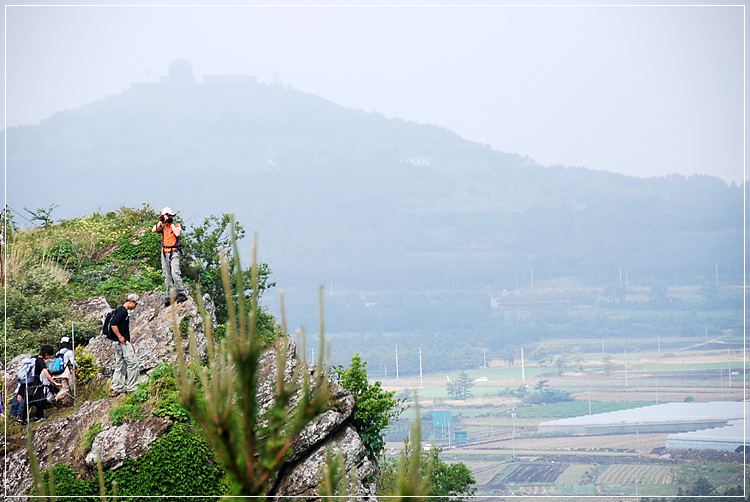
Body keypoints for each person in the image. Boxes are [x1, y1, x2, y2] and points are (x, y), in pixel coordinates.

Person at [152, 207, 188, 306]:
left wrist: (171, 223)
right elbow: (153, 230)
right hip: (164, 251)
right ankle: (170, 296)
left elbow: (177, 233)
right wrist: (161, 221)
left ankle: (181, 293)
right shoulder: (163, 226)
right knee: (166, 274)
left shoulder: (177, 225)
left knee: (175, 273)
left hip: (174, 251)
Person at [19, 345, 62, 424]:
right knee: (41, 399)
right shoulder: (40, 361)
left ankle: (22, 418)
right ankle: (38, 417)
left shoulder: (33, 358)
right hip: (35, 382)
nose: (48, 357)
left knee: (28, 400)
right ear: (46, 354)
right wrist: (54, 382)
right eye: (49, 355)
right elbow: (46, 373)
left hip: (26, 382)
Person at [110, 294, 141, 396]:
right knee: (133, 363)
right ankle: (133, 387)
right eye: (135, 304)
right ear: (131, 301)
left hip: (118, 342)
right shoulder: (122, 311)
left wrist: (128, 341)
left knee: (120, 364)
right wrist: (120, 337)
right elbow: (113, 324)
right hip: (121, 342)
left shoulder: (121, 311)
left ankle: (116, 388)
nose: (135, 307)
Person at [54, 336, 78, 406]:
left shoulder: (58, 352)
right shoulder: (69, 352)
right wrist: (77, 366)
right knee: (66, 388)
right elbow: (72, 361)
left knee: (63, 386)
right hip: (65, 371)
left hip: (58, 372)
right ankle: (56, 398)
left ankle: (66, 401)